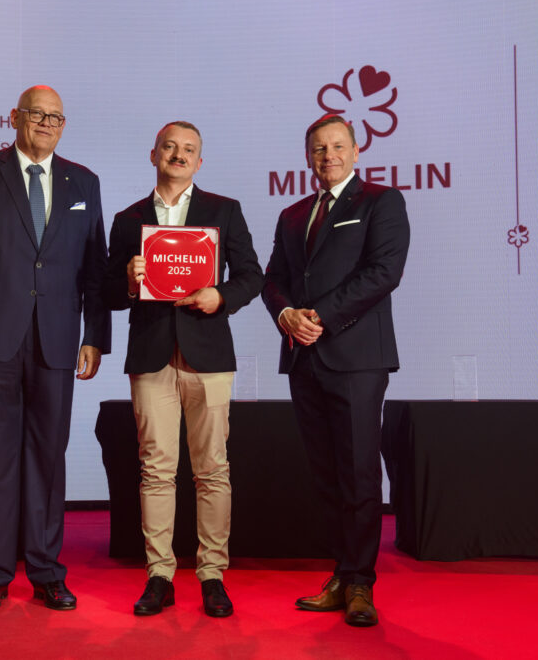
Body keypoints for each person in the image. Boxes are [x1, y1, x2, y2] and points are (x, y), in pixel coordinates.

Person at [0, 85, 111, 612]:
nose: (46, 124)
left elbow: (95, 268)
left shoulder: (84, 181)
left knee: (48, 458)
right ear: (15, 117)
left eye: (55, 117)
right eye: (37, 114)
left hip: (57, 340)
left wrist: (95, 335)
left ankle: (46, 571)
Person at [104, 121, 264, 617]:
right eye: (170, 147)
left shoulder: (224, 210)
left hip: (208, 357)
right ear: (153, 154)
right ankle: (160, 575)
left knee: (212, 469)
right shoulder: (127, 219)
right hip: (151, 356)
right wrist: (128, 282)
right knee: (156, 468)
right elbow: (107, 293)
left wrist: (221, 295)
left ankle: (212, 575)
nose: (178, 155)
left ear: (200, 161)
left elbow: (252, 276)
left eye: (188, 149)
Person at [262, 114, 410, 627]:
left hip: (356, 358)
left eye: (338, 146)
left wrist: (319, 317)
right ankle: (341, 574)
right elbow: (273, 278)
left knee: (359, 471)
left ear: (356, 150)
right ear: (308, 157)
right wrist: (286, 314)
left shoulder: (380, 202)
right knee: (326, 474)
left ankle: (361, 582)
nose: (329, 156)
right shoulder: (292, 213)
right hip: (303, 358)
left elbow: (384, 272)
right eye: (319, 148)